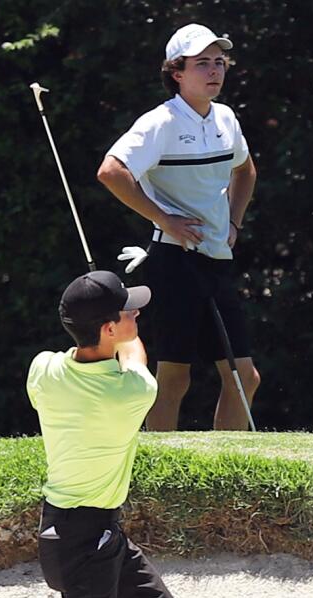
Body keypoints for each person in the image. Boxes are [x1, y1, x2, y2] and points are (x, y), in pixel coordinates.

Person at [25, 270, 189, 598]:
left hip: (84, 533)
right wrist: (120, 340)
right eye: (128, 310)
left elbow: (80, 354)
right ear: (109, 328)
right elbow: (135, 355)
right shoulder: (130, 391)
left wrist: (98, 323)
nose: (137, 312)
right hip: (85, 541)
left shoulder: (43, 370)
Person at [97, 22, 260, 431]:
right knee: (174, 377)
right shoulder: (161, 123)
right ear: (177, 72)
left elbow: (246, 171)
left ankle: (228, 470)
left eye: (219, 62)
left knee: (244, 377)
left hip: (217, 260)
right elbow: (112, 171)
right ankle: (161, 474)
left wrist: (234, 222)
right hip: (174, 261)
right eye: (202, 63)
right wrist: (163, 218)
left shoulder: (225, 118)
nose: (214, 71)